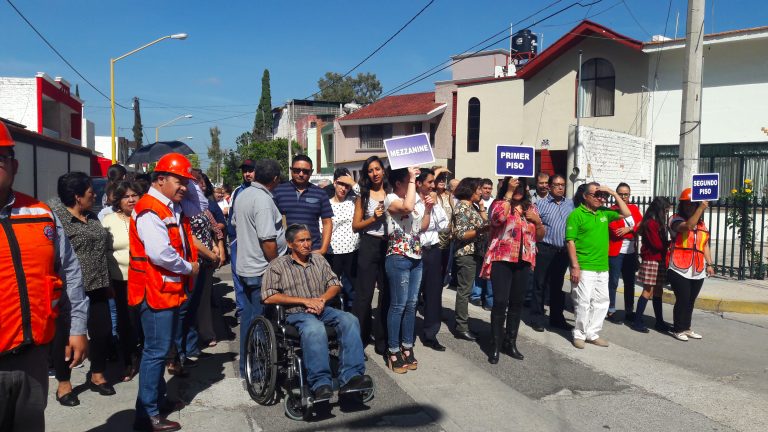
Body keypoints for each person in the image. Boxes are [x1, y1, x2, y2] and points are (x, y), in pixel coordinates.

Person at [0, 123, 88, 432]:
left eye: (1, 156)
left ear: (14, 164)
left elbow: (70, 273)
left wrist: (78, 327)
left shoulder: (40, 214)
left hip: (33, 360)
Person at [129, 153, 200, 432]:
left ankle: (155, 404)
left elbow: (196, 208)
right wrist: (188, 268)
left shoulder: (169, 206)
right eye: (179, 180)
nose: (184, 187)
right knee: (156, 352)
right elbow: (160, 254)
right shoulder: (151, 209)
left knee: (158, 350)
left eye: (186, 182)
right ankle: (148, 415)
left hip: (166, 289)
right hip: (156, 291)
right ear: (160, 180)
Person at [261, 224, 372, 399]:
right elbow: (268, 296)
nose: (307, 244)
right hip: (296, 313)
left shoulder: (319, 260)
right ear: (290, 244)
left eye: (308, 240)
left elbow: (335, 284)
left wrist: (321, 300)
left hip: (323, 308)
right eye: (301, 241)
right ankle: (320, 383)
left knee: (350, 320)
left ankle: (352, 377)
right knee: (315, 329)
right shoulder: (278, 265)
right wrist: (304, 301)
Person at [49, 172, 115, 403]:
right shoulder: (59, 219)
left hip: (97, 285)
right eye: (90, 192)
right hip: (69, 290)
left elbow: (102, 251)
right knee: (66, 338)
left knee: (102, 331)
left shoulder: (92, 216)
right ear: (77, 196)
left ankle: (97, 374)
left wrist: (107, 282)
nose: (94, 195)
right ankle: (64, 384)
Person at [231, 159, 287, 377]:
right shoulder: (262, 200)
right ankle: (256, 371)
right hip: (260, 270)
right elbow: (267, 240)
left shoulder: (243, 195)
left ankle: (247, 367)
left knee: (249, 319)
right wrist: (277, 266)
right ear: (275, 179)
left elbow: (236, 224)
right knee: (261, 323)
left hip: (247, 267)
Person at [481, 177, 545, 364]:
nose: (518, 188)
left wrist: (538, 222)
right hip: (503, 258)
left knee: (517, 303)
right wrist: (508, 193)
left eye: (521, 186)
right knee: (500, 302)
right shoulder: (499, 204)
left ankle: (510, 342)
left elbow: (539, 236)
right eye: (514, 185)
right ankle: (495, 344)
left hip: (523, 260)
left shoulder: (530, 209)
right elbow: (497, 219)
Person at [566, 182, 630, 349]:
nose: (601, 198)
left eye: (603, 196)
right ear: (585, 196)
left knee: (602, 301)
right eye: (597, 195)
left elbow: (626, 213)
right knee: (583, 301)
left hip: (602, 266)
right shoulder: (576, 215)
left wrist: (612, 193)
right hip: (584, 266)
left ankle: (592, 333)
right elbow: (570, 241)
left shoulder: (604, 212)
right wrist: (574, 266)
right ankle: (579, 334)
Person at [383, 167, 430, 373]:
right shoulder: (391, 199)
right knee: (398, 305)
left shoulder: (414, 201)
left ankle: (407, 346)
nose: (415, 183)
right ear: (399, 183)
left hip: (416, 257)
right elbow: (407, 207)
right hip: (398, 256)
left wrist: (427, 209)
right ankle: (393, 350)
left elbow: (422, 227)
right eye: (409, 180)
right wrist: (412, 177)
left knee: (411, 305)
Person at [102, 180, 142, 381]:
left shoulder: (146, 217)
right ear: (118, 200)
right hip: (120, 280)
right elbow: (102, 253)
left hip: (144, 278)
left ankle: (149, 357)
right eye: (127, 196)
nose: (131, 199)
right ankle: (128, 361)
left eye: (135, 195)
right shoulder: (108, 220)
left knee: (143, 322)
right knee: (125, 324)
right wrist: (107, 281)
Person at [351, 156, 390, 354]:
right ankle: (360, 338)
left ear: (383, 170)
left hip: (390, 245)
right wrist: (373, 218)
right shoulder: (363, 195)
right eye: (370, 170)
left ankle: (382, 339)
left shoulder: (392, 192)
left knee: (387, 294)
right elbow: (356, 226)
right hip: (369, 244)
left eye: (377, 169)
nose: (374, 173)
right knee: (364, 296)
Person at [667, 188, 714, 341]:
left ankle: (686, 328)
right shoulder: (675, 219)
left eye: (693, 204)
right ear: (681, 205)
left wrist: (710, 263)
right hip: (678, 268)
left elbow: (704, 244)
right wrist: (701, 207)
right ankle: (678, 328)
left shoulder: (702, 224)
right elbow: (687, 227)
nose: (690, 207)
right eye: (687, 204)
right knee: (683, 298)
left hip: (697, 268)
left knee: (691, 300)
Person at [531, 174, 574, 332]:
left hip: (562, 252)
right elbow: (532, 227)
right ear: (549, 186)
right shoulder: (540, 205)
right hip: (544, 249)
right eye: (557, 184)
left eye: (563, 184)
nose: (560, 187)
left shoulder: (570, 204)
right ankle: (537, 317)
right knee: (540, 284)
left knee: (557, 286)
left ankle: (557, 318)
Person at [451, 178, 489, 341]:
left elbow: (485, 222)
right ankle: (461, 327)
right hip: (465, 253)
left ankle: (463, 323)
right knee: (464, 291)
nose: (481, 192)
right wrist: (480, 231)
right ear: (470, 190)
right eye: (478, 189)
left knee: (466, 289)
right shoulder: (461, 208)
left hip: (474, 253)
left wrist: (481, 209)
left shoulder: (472, 206)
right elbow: (460, 234)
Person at [273, 154, 333, 254]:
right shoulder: (278, 191)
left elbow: (327, 223)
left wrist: (323, 249)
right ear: (291, 170)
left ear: (311, 172)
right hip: (286, 252)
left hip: (312, 250)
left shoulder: (320, 193)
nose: (301, 174)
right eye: (297, 170)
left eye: (305, 171)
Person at [416, 169, 449, 351]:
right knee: (413, 295)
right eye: (429, 182)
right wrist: (427, 215)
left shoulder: (435, 203)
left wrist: (433, 208)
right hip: (417, 251)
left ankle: (431, 335)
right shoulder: (411, 201)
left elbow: (444, 225)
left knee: (434, 294)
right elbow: (417, 227)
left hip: (434, 251)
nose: (432, 185)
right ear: (419, 183)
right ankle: (406, 335)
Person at [633, 197, 673, 333]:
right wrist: (669, 244)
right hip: (651, 260)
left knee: (658, 291)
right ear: (660, 209)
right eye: (666, 210)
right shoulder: (651, 223)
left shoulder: (657, 222)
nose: (667, 213)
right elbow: (656, 244)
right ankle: (637, 321)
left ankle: (659, 321)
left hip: (658, 259)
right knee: (647, 290)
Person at [322, 170, 359, 310]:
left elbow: (365, 194)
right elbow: (322, 228)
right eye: (340, 184)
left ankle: (352, 320)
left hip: (352, 251)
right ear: (334, 183)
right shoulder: (326, 203)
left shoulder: (354, 201)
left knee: (352, 290)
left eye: (347, 185)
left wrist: (353, 183)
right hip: (332, 253)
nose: (343, 188)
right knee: (332, 288)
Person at [606, 182, 643, 323]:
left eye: (626, 194)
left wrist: (629, 229)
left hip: (631, 251)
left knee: (629, 282)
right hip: (616, 251)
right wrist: (633, 228)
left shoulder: (633, 208)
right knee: (613, 281)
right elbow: (615, 231)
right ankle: (611, 309)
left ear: (629, 195)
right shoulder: (611, 210)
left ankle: (629, 310)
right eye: (620, 194)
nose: (623, 196)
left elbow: (641, 225)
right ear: (616, 195)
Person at [227, 159, 256, 319]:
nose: (247, 173)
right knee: (238, 276)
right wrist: (233, 240)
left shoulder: (263, 190)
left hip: (256, 242)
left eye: (250, 170)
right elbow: (231, 216)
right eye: (245, 170)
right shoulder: (238, 191)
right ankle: (242, 310)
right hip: (238, 241)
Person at [470, 178, 495, 310]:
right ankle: (476, 295)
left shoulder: (494, 202)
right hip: (479, 239)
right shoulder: (475, 202)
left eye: (489, 188)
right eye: (485, 188)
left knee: (489, 270)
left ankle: (489, 298)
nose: (487, 191)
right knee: (479, 269)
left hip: (490, 240)